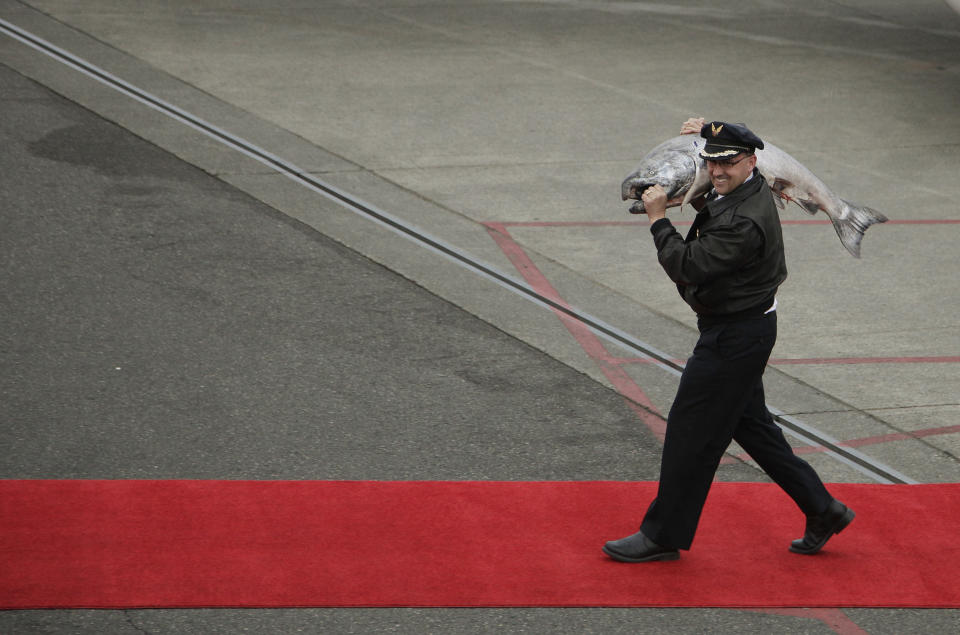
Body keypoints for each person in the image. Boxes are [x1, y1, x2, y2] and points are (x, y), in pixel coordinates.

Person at [602, 118, 855, 563]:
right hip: (745, 329)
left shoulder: (743, 221)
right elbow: (726, 149)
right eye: (712, 161)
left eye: (729, 163)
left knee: (690, 435)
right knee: (753, 428)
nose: (718, 171)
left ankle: (662, 536)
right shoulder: (746, 185)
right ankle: (823, 509)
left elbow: (687, 266)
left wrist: (659, 219)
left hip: (734, 337)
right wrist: (708, 125)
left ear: (752, 162)